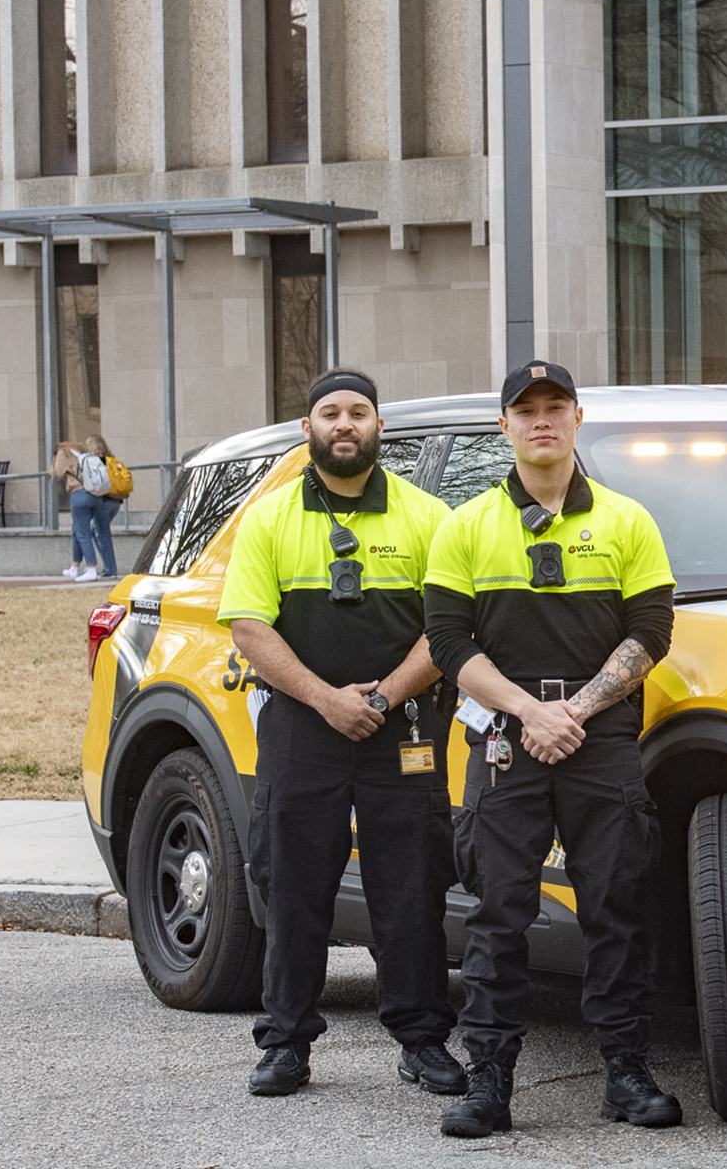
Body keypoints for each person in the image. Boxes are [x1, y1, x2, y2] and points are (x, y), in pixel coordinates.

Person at [423, 361, 680, 1138]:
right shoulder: (465, 526)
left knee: (616, 905)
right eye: (525, 409)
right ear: (504, 425)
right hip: (506, 731)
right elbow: (445, 639)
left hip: (597, 733)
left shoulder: (629, 521)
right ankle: (490, 1083)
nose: (541, 420)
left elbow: (652, 632)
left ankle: (627, 1074)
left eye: (555, 407)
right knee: (500, 911)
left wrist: (575, 710)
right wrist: (530, 711)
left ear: (576, 418)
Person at [217, 369, 463, 1098]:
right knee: (293, 883)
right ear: (309, 430)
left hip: (404, 727)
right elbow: (249, 627)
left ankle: (423, 1042)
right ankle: (285, 1043)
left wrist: (383, 698)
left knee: (411, 885)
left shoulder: (428, 516)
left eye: (359, 412)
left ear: (380, 427)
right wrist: (327, 700)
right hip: (302, 726)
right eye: (331, 413)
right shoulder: (268, 519)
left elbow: (445, 628)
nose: (345, 423)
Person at [51, 435, 123, 581]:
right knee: (91, 530)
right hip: (99, 496)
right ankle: (78, 566)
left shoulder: (63, 452)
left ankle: (90, 568)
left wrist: (54, 466)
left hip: (80, 495)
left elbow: (57, 473)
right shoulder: (85, 455)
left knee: (83, 532)